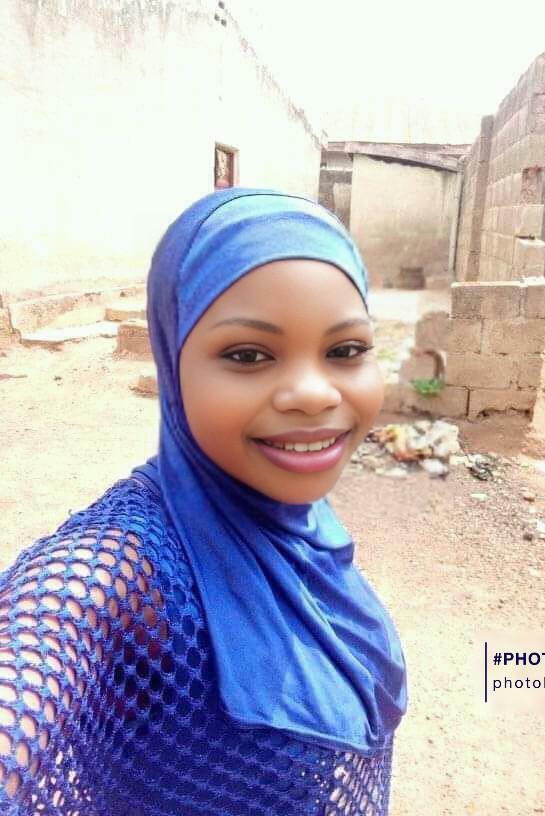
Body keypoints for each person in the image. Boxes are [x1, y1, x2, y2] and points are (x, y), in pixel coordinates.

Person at [0, 187, 409, 815]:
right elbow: (38, 647)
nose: (313, 394)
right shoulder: (127, 567)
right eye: (248, 355)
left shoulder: (293, 522)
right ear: (173, 365)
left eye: (345, 351)